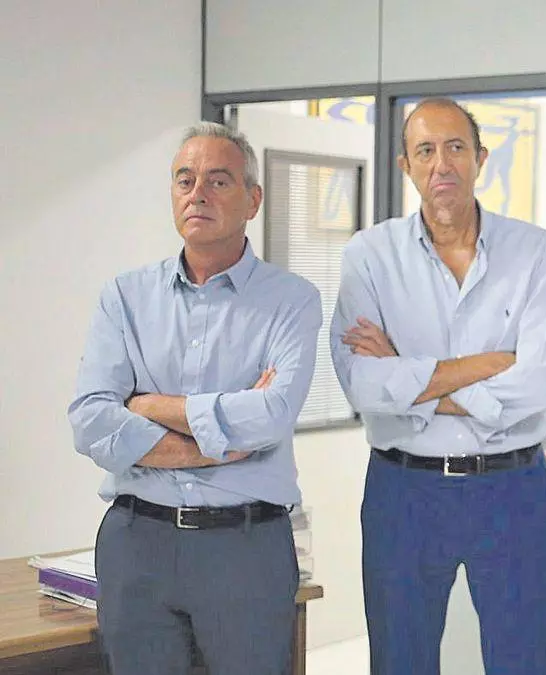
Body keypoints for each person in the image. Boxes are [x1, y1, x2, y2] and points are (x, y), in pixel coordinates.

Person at [68, 121, 322, 675]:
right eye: (185, 179)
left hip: (244, 549)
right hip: (136, 545)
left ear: (253, 200)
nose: (197, 193)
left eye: (218, 180)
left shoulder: (292, 300)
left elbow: (271, 416)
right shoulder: (125, 296)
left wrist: (145, 404)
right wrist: (215, 442)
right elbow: (90, 421)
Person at [331, 97, 546, 675]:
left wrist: (407, 376)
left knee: (523, 663)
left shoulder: (536, 252)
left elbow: (538, 385)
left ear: (481, 158)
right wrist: (486, 366)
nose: (442, 164)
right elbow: (363, 385)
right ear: (405, 165)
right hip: (404, 493)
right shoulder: (369, 255)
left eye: (456, 148)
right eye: (426, 150)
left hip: (511, 490)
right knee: (400, 661)